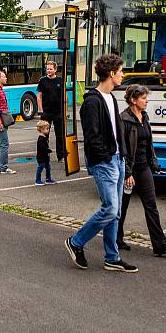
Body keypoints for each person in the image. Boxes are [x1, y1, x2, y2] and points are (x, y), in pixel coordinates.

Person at [64, 54, 138, 273]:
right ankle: (76, 242)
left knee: (115, 213)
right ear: (112, 73)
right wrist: (106, 157)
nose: (123, 74)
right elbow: (92, 136)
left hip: (118, 160)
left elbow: (117, 132)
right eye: (121, 71)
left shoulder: (112, 99)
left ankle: (112, 257)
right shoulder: (92, 101)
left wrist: (121, 156)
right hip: (105, 162)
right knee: (110, 208)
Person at [117, 84, 166, 256]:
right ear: (133, 100)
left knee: (151, 206)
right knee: (122, 207)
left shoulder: (145, 117)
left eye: (146, 97)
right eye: (143, 98)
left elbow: (149, 144)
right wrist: (127, 172)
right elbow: (122, 149)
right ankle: (116, 238)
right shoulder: (124, 120)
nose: (147, 100)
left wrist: (154, 163)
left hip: (143, 169)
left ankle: (160, 245)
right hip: (129, 170)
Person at [37, 60, 66, 162]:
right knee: (44, 135)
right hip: (46, 112)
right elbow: (39, 96)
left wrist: (65, 110)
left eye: (50, 69)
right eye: (47, 69)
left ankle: (61, 156)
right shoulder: (42, 81)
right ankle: (44, 155)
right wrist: (41, 110)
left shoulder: (60, 81)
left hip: (58, 112)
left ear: (55, 69)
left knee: (60, 135)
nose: (48, 71)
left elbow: (64, 96)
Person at [34, 120, 55, 186]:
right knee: (40, 168)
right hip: (41, 157)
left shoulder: (44, 137)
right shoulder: (41, 139)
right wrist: (48, 150)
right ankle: (37, 180)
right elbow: (42, 148)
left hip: (45, 157)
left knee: (48, 167)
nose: (48, 130)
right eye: (47, 129)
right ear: (42, 129)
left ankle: (48, 179)